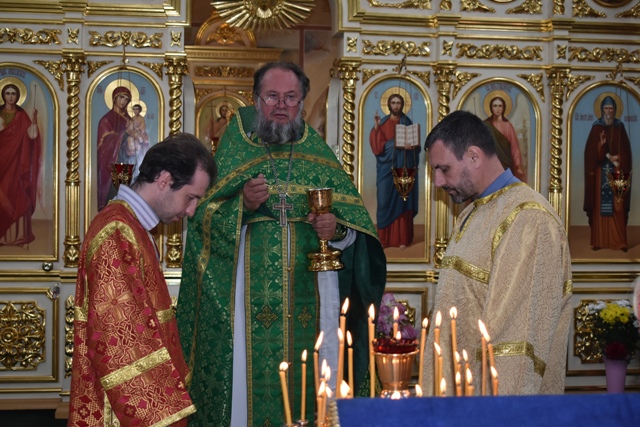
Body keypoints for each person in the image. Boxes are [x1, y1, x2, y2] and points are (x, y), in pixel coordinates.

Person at [177, 62, 386, 426]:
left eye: (291, 97)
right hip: (247, 302)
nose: (281, 105)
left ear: (302, 102)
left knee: (314, 386)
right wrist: (242, 205)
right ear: (256, 99)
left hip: (311, 297)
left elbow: (356, 229)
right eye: (272, 96)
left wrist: (336, 230)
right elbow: (201, 219)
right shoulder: (235, 148)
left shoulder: (318, 154)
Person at [67, 134, 218, 427]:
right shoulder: (116, 232)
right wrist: (161, 414)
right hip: (121, 411)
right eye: (191, 197)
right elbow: (120, 340)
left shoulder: (131, 226)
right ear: (164, 179)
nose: (191, 211)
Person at [422, 110, 572, 396]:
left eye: (444, 169)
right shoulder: (474, 211)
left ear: (474, 156)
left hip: (493, 406)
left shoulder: (528, 219)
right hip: (458, 400)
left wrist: (498, 414)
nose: (438, 182)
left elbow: (515, 344)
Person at [369, 93, 421, 248]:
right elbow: (378, 148)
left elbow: (415, 148)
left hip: (403, 168)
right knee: (384, 201)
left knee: (402, 202)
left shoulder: (407, 122)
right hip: (386, 170)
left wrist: (412, 147)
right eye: (393, 102)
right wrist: (377, 128)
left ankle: (402, 239)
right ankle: (384, 240)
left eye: (398, 103)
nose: (396, 105)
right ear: (389, 105)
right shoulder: (383, 123)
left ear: (402, 105)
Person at [583, 95, 632, 252]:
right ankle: (599, 241)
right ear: (601, 110)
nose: (609, 112)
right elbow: (590, 153)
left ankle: (620, 242)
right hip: (601, 174)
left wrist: (619, 157)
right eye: (606, 108)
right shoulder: (597, 127)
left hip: (617, 171)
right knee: (600, 207)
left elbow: (626, 152)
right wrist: (601, 146)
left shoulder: (620, 127)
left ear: (615, 110)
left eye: (611, 108)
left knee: (617, 206)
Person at [0, 83, 41, 247]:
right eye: (7, 93)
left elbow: (32, 136)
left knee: (17, 196)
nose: (10, 97)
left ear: (18, 96)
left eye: (13, 94)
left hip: (17, 164)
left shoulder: (22, 115)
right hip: (2, 162)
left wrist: (34, 119)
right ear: (3, 95)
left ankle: (18, 236)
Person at [97, 86, 132, 211]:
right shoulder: (106, 120)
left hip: (127, 163)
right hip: (111, 166)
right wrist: (123, 135)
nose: (124, 101)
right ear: (114, 98)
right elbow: (103, 147)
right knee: (113, 199)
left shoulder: (129, 120)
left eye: (127, 99)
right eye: (121, 97)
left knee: (125, 201)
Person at [484, 96, 526, 182]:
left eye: (500, 106)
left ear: (504, 108)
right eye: (495, 106)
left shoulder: (507, 126)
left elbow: (514, 148)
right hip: (490, 164)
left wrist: (518, 166)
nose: (497, 109)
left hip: (506, 166)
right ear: (491, 108)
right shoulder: (485, 125)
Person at [122, 103, 150, 174]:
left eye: (137, 109)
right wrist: (130, 130)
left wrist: (138, 129)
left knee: (139, 140)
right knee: (129, 139)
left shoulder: (141, 118)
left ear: (139, 110)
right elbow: (130, 127)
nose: (135, 111)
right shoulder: (132, 118)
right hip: (133, 133)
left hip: (140, 133)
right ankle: (131, 151)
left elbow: (143, 127)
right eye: (134, 109)